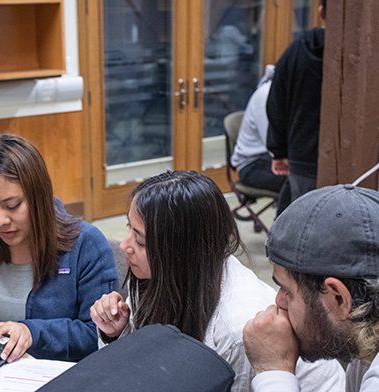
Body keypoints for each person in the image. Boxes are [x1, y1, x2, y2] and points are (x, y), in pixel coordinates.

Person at [89, 170, 344, 392]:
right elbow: (138, 368)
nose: (124, 246)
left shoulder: (238, 327)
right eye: (129, 229)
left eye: (141, 240)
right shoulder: (165, 275)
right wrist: (116, 333)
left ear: (180, 252)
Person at [0, 134, 119, 363]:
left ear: (38, 197)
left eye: (13, 206)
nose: (0, 220)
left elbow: (97, 335)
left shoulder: (86, 245)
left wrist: (32, 333)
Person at [243, 184, 379, 392]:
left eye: (287, 290)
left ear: (339, 298)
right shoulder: (364, 345)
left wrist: (274, 371)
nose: (278, 301)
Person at [266, 0, 326, 207]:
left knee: (304, 221)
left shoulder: (296, 51)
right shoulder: (365, 54)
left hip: (301, 157)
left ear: (321, 12)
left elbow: (276, 103)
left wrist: (279, 151)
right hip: (357, 159)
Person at [231, 65, 289, 214]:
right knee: (296, 180)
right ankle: (283, 232)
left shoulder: (281, 93)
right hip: (252, 166)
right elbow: (273, 144)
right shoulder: (267, 95)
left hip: (267, 159)